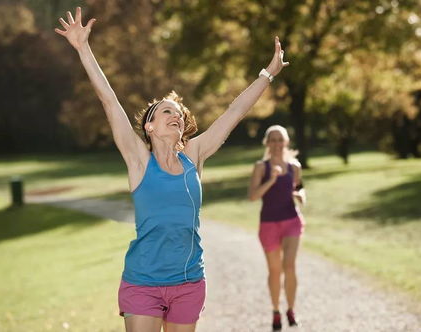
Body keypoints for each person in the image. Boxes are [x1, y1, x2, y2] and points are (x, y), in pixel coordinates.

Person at [55, 7, 289, 332]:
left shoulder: (195, 154)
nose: (176, 115)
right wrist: (84, 48)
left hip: (190, 281)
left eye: (179, 113)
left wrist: (268, 74)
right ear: (150, 126)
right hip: (143, 282)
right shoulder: (138, 159)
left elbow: (234, 112)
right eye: (167, 112)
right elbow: (109, 100)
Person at [248, 125, 305, 331]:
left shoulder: (294, 167)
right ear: (267, 143)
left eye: (280, 139)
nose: (276, 143)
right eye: (272, 140)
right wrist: (271, 180)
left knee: (289, 266)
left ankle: (291, 309)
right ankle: (275, 310)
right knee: (275, 270)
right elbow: (253, 196)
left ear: (286, 142)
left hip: (292, 221)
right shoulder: (261, 167)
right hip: (269, 224)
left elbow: (300, 189)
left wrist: (300, 195)